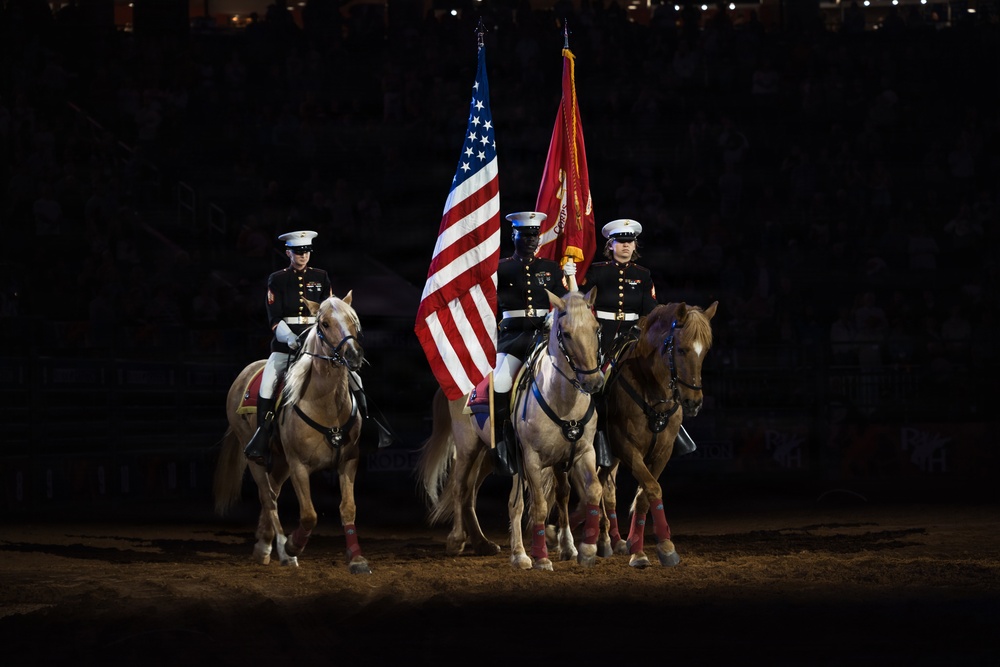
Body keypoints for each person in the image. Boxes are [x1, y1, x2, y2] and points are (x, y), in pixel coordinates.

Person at [582, 218, 698, 457]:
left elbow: (652, 310)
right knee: (598, 381)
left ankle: (676, 430)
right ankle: (601, 435)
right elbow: (581, 299)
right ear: (610, 245)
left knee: (662, 372)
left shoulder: (643, 275)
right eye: (620, 241)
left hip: (635, 334)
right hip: (603, 334)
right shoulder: (598, 271)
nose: (625, 245)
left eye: (630, 241)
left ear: (635, 246)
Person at [244, 230, 333, 465]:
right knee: (268, 382)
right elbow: (274, 317)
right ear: (288, 253)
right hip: (286, 342)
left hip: (317, 342)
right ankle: (262, 435)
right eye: (297, 252)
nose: (302, 256)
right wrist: (289, 338)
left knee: (353, 377)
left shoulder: (322, 277)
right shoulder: (278, 279)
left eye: (306, 252)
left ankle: (366, 426)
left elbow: (328, 312)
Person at [492, 211, 570, 475]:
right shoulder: (500, 268)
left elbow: (566, 302)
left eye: (534, 235)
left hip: (543, 337)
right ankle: (502, 442)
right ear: (513, 235)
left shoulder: (550, 269)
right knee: (501, 383)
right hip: (512, 337)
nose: (530, 240)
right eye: (524, 235)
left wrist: (569, 286)